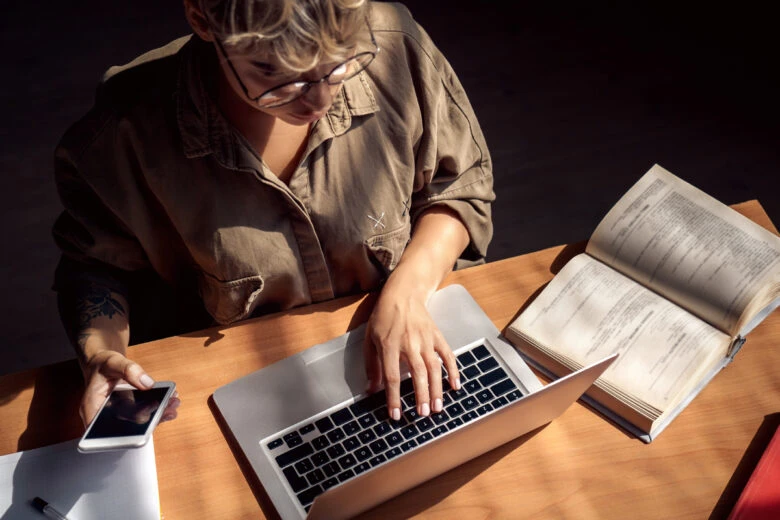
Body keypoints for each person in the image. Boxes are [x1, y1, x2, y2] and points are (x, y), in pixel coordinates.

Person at [52, 0, 494, 428]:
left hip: (411, 349)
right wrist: (100, 353)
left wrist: (409, 291)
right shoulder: (124, 136)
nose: (318, 100)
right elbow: (96, 268)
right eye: (276, 74)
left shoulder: (395, 44)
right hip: (245, 393)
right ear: (200, 18)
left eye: (340, 61)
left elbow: (458, 185)